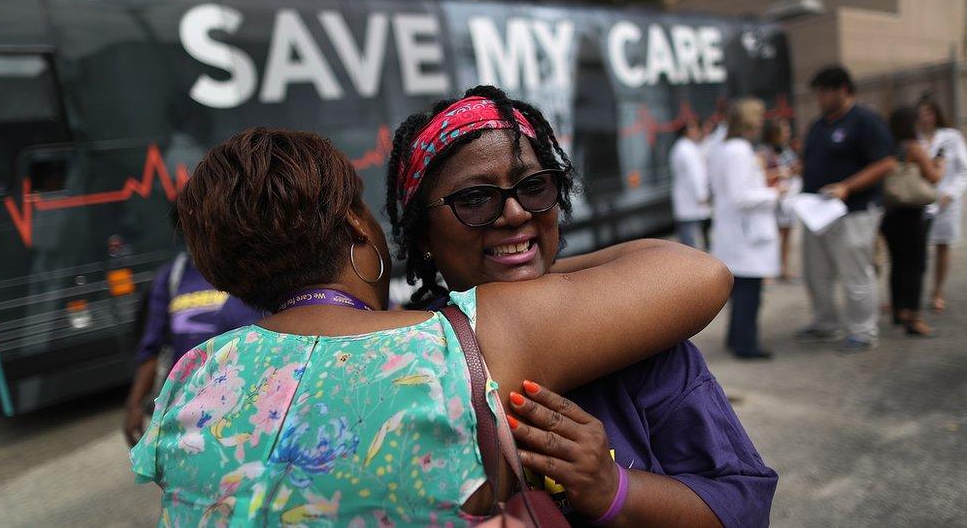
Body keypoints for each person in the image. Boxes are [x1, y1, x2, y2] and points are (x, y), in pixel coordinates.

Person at [131, 128, 732, 526]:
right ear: (357, 227)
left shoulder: (194, 375)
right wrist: (500, 281)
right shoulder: (449, 345)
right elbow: (695, 272)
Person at [385, 86, 777, 527]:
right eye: (474, 199)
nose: (514, 213)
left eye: (534, 186)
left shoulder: (639, 335)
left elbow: (744, 505)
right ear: (422, 234)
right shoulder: (402, 358)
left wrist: (614, 490)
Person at [796, 65, 898, 353]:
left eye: (825, 92)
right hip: (816, 211)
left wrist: (848, 186)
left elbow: (886, 162)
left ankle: (863, 331)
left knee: (855, 273)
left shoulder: (864, 120)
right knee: (816, 272)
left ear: (843, 89)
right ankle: (825, 323)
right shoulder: (819, 125)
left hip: (853, 211)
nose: (820, 98)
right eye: (818, 93)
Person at [123, 250, 262, 446]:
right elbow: (152, 346)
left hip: (242, 404)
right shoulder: (173, 276)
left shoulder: (252, 267)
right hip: (187, 409)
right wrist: (134, 405)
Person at [709, 99, 783, 359]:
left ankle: (737, 340)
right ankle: (745, 345)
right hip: (744, 234)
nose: (762, 121)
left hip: (738, 232)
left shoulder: (726, 147)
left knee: (743, 293)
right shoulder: (738, 150)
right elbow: (741, 196)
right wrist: (775, 193)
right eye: (759, 116)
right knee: (748, 295)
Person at [881, 107, 943, 336]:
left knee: (897, 264)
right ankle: (914, 316)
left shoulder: (888, 147)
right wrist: (940, 165)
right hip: (911, 214)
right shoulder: (913, 148)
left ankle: (899, 310)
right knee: (915, 265)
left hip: (890, 214)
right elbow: (933, 177)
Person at [917, 99, 967, 313]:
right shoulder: (914, 140)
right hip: (920, 200)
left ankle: (937, 291)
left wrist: (951, 193)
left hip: (947, 201)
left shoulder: (951, 137)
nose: (925, 117)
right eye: (921, 113)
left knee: (942, 246)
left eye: (929, 112)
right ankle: (911, 294)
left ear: (936, 114)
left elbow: (964, 170)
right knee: (916, 250)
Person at [758, 118, 800, 280]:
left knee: (787, 234)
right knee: (773, 236)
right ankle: (768, 270)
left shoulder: (786, 150)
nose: (788, 134)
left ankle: (783, 268)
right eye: (784, 131)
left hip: (788, 198)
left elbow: (792, 168)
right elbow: (759, 176)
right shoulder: (764, 151)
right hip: (773, 199)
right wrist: (779, 173)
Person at [670, 117, 712, 250]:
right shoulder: (687, 149)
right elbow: (696, 176)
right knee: (691, 243)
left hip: (686, 201)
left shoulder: (681, 147)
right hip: (691, 201)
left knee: (688, 238)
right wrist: (702, 195)